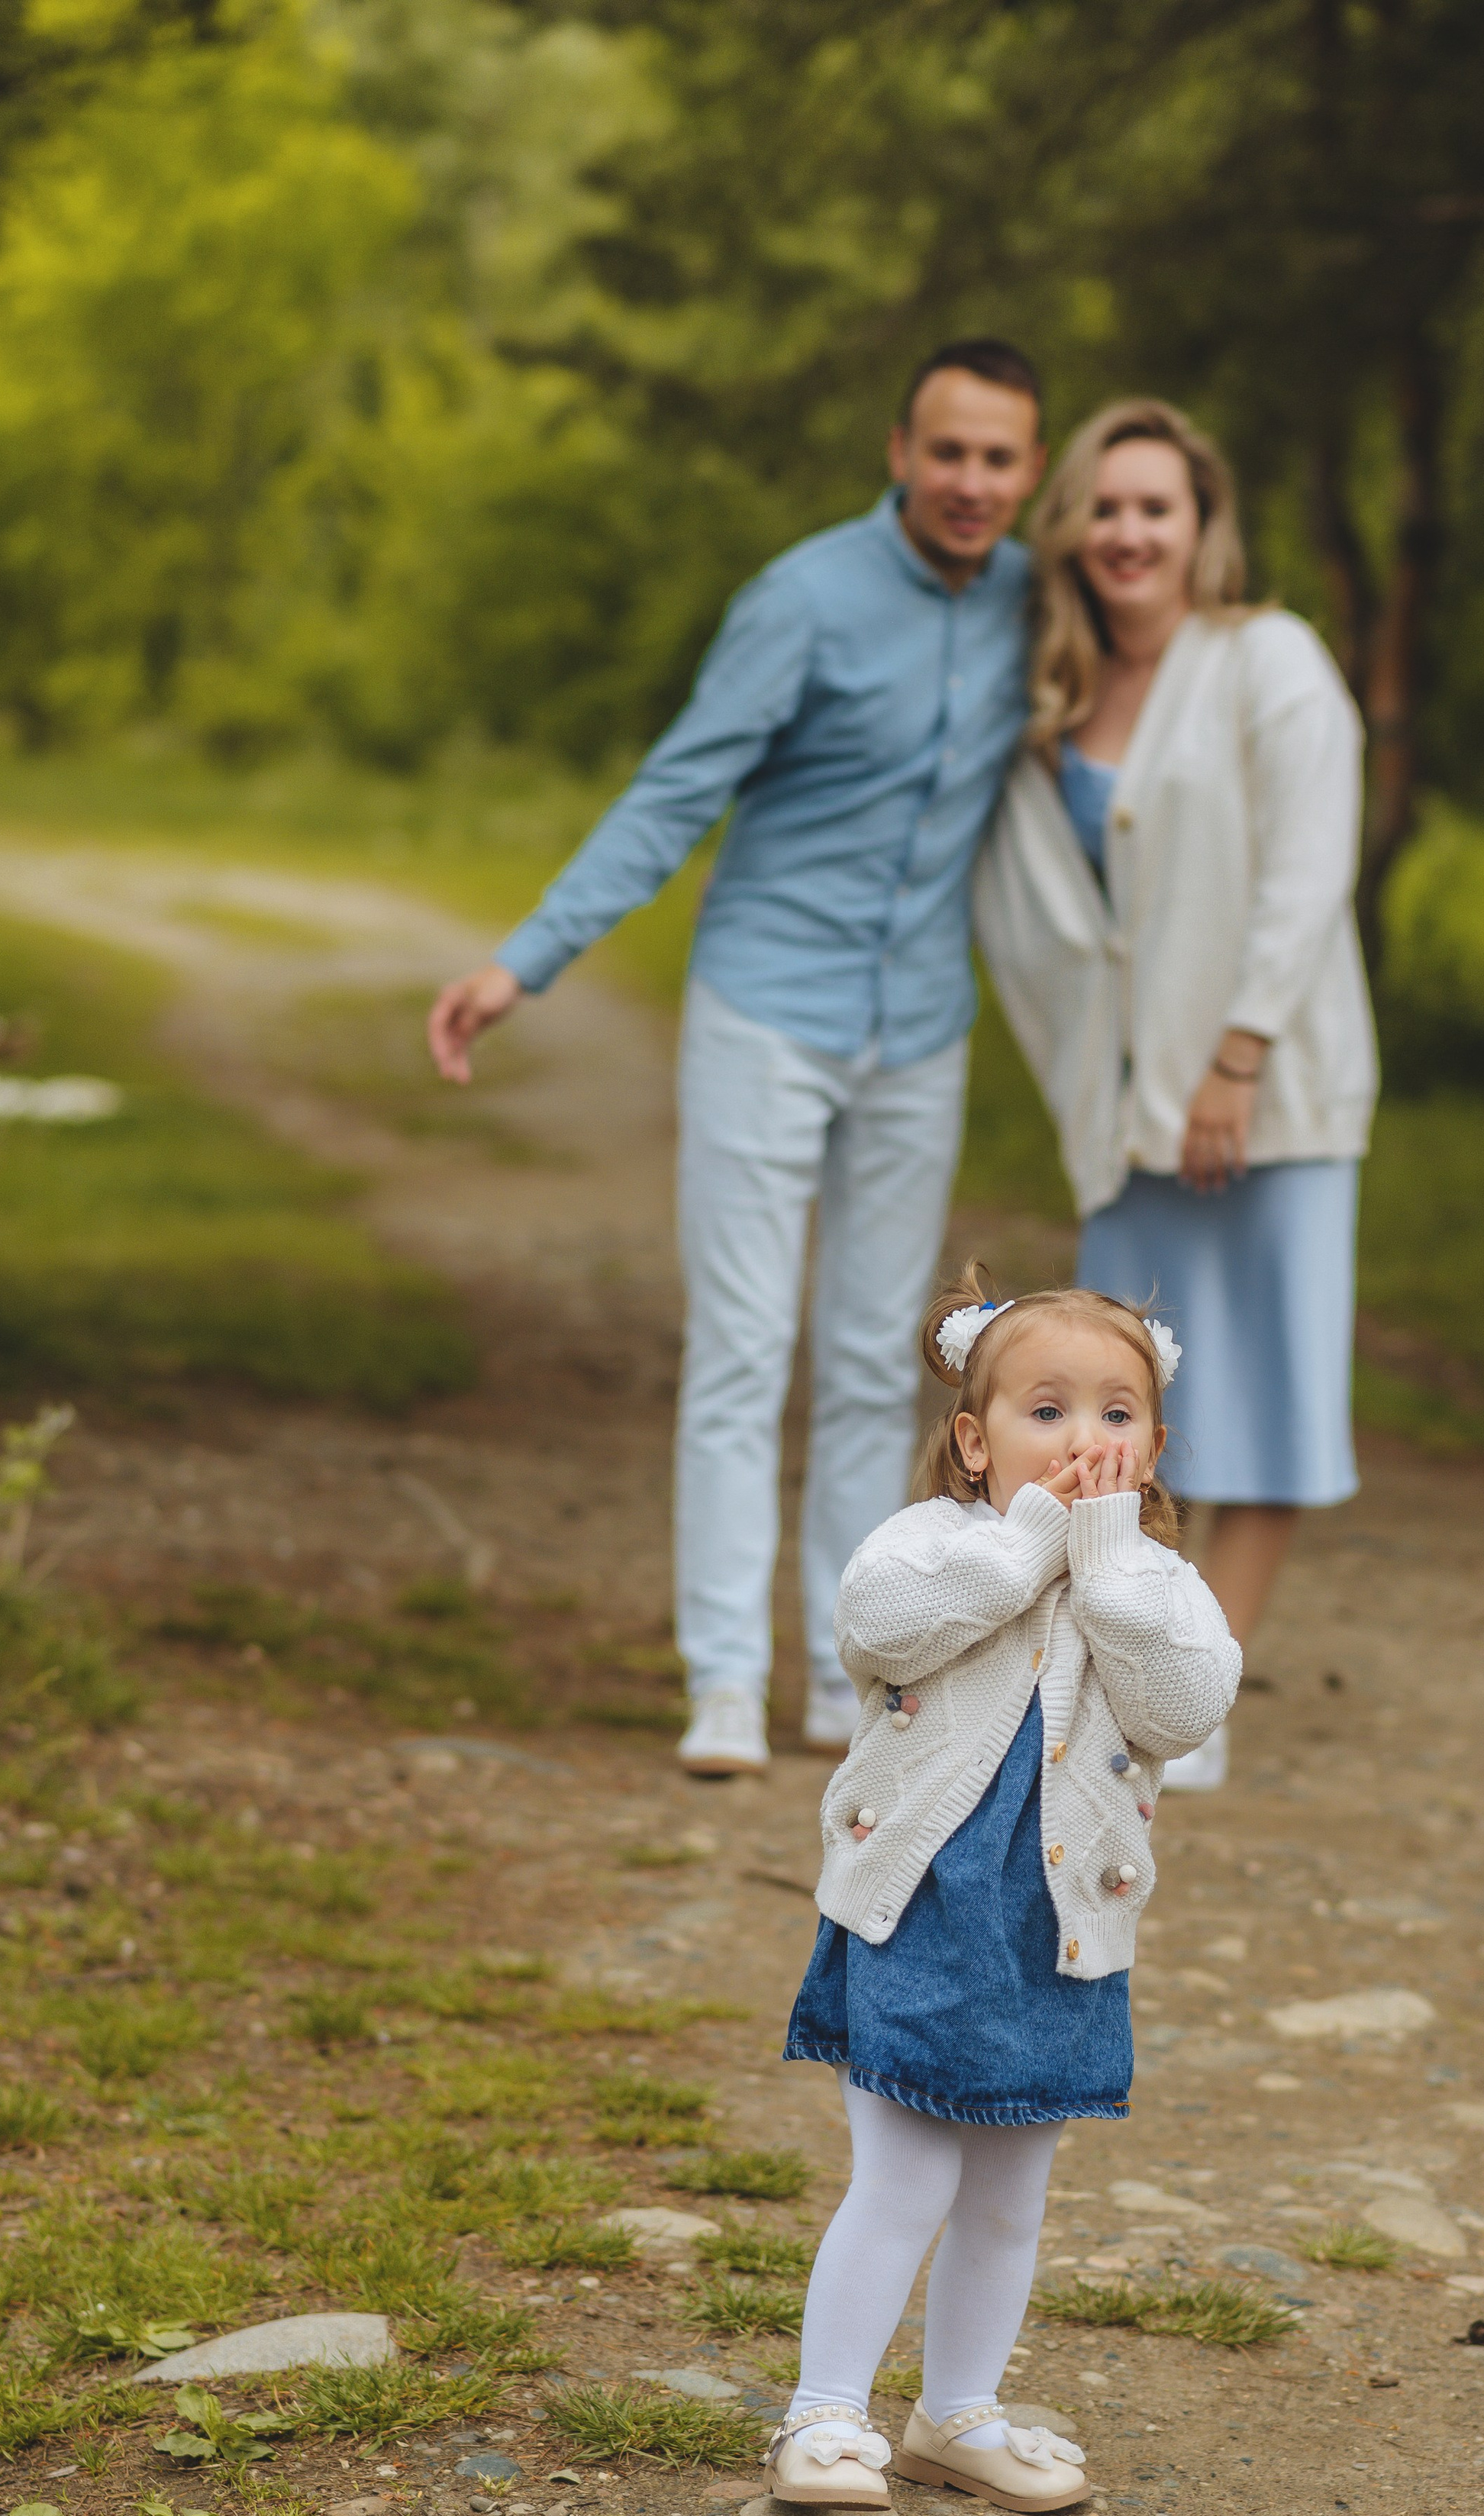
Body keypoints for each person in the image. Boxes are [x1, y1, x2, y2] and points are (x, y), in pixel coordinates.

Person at [426, 342, 1047, 1776]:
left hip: (919, 1031)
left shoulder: (1033, 604)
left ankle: (853, 1676)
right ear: (900, 449)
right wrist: (526, 960)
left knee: (873, 1357)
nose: (970, 483)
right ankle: (721, 1676)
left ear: (1029, 472)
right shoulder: (804, 600)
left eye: (999, 460)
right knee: (744, 1346)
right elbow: (674, 790)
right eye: (947, 452)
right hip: (767, 1009)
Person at [763, 1269, 1240, 2512]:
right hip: (923, 1904)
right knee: (909, 2174)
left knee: (1009, 2195)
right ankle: (823, 2413)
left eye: (1117, 1413)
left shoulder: (1159, 1590)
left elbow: (1185, 1709)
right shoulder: (935, 1545)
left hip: (1059, 1928)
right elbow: (880, 1629)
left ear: (1154, 1448)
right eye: (1048, 1409)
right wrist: (1033, 1547)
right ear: (974, 1441)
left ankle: (955, 2412)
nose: (1087, 1438)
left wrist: (1110, 1565)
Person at [973, 396, 1374, 1792]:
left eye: (1161, 506)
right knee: (1110, 1413)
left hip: (1273, 1100)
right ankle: (1135, 1672)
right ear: (1070, 527)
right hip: (1135, 1122)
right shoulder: (1049, 698)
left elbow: (1311, 863)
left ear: (1204, 526)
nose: (1131, 532)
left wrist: (1239, 1057)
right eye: (1108, 507)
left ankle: (1197, 1702)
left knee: (1269, 1404)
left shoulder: (1265, 658)